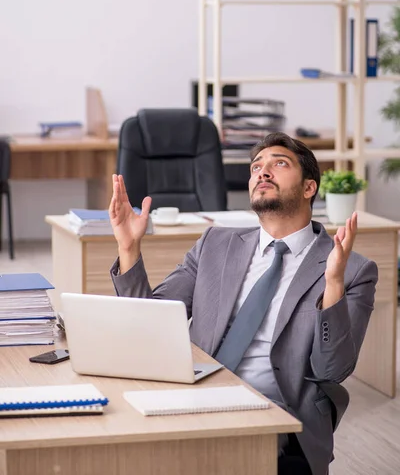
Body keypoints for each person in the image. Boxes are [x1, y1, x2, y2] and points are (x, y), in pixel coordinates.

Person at [109, 131, 377, 475]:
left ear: (310, 187)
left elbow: (332, 370)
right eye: (256, 167)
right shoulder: (215, 244)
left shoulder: (353, 269)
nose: (263, 172)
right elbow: (149, 322)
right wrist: (129, 248)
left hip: (280, 413)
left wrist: (333, 284)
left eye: (279, 164)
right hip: (196, 396)